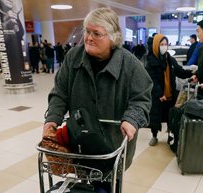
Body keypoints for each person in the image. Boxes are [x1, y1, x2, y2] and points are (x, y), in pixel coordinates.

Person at [43, 7, 152, 168]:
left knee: (111, 184)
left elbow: (141, 99)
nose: (88, 38)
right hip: (80, 139)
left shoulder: (131, 65)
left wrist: (131, 119)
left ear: (113, 37)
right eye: (87, 32)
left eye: (97, 33)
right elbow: (60, 92)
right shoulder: (73, 57)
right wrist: (52, 118)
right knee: (82, 179)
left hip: (113, 143)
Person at [145, 34, 193, 146]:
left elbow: (180, 71)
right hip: (158, 96)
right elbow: (152, 81)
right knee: (156, 117)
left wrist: (191, 75)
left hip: (170, 93)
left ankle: (170, 136)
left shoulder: (170, 59)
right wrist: (159, 94)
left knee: (170, 116)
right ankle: (154, 136)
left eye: (166, 44)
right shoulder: (151, 62)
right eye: (161, 44)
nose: (164, 46)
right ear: (156, 45)